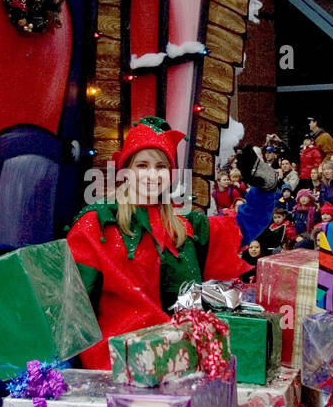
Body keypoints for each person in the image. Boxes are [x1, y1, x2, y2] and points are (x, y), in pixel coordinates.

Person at [66, 118, 249, 368]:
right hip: (115, 366)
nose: (152, 175)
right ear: (126, 171)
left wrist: (265, 190)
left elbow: (241, 231)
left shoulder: (184, 227)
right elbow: (74, 306)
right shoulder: (96, 223)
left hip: (176, 360)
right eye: (142, 165)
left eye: (161, 166)